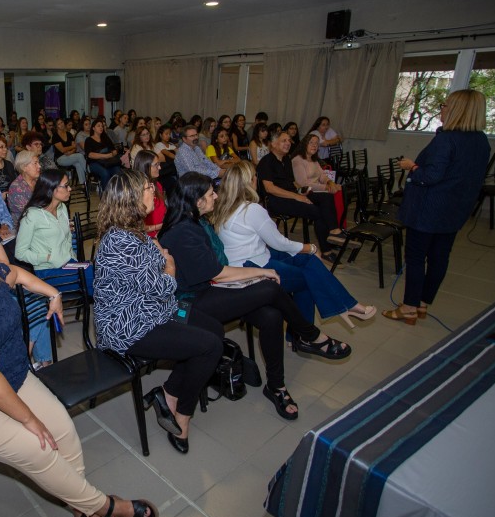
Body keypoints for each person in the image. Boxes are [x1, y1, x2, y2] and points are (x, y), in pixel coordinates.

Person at [0, 219, 158, 517]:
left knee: (64, 432)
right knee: (39, 447)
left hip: (11, 375)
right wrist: (29, 419)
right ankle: (108, 507)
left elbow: (17, 274)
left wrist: (52, 292)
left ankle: (83, 515)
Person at [158, 172, 351, 420]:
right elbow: (216, 272)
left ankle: (276, 387)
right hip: (185, 305)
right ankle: (310, 335)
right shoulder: (184, 231)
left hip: (209, 290)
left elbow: (217, 269)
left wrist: (254, 274)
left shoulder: (198, 221)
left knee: (271, 316)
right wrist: (260, 272)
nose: (216, 196)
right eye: (210, 194)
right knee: (269, 287)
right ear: (197, 202)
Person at [92, 171, 223, 453]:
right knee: (209, 346)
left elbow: (157, 280)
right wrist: (170, 269)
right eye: (149, 188)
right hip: (131, 327)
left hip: (159, 311)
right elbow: (161, 286)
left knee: (214, 328)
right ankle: (182, 415)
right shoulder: (120, 241)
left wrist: (164, 263)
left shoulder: (134, 232)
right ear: (131, 199)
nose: (155, 192)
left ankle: (169, 392)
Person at [213, 162, 375, 329]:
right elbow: (280, 243)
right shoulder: (251, 209)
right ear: (249, 182)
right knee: (308, 278)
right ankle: (308, 330)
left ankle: (345, 306)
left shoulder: (225, 206)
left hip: (244, 261)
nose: (256, 179)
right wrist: (311, 247)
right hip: (252, 265)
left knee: (308, 261)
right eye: (254, 176)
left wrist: (306, 251)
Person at [383, 89, 491, 324]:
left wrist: (412, 167)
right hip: (454, 210)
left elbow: (430, 176)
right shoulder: (481, 140)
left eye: (445, 105)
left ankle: (409, 307)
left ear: (456, 110)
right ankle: (422, 303)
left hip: (427, 211)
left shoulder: (447, 139)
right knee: (440, 257)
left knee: (415, 258)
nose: (442, 108)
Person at [257, 130, 344, 262]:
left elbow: (292, 182)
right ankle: (326, 250)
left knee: (326, 198)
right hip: (276, 200)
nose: (288, 143)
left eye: (289, 141)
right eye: (284, 141)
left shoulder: (286, 159)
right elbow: (270, 188)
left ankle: (333, 230)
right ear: (273, 144)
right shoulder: (266, 161)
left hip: (292, 194)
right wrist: (296, 196)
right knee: (316, 211)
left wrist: (301, 191)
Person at [15, 168, 93, 295]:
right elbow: (20, 253)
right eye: (66, 186)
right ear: (52, 189)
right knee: (91, 274)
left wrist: (72, 258)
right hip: (47, 271)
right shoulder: (32, 215)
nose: (70, 189)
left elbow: (66, 238)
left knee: (97, 272)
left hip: (67, 263)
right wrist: (47, 257)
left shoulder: (61, 207)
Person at [132, 151, 166, 237]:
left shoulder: (157, 185)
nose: (160, 167)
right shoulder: (137, 191)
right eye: (156, 165)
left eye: (159, 164)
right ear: (145, 167)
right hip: (147, 236)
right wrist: (159, 227)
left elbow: (162, 209)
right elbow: (135, 226)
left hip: (161, 229)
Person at [83, 118, 122, 190]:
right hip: (94, 163)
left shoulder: (105, 138)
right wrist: (106, 156)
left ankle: (116, 194)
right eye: (98, 126)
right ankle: (105, 195)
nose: (101, 127)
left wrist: (114, 152)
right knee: (105, 173)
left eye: (102, 126)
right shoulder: (89, 140)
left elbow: (113, 149)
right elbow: (90, 155)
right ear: (93, 128)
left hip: (108, 162)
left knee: (118, 172)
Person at [7, 150, 41, 225]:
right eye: (35, 163)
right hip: (25, 225)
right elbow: (30, 213)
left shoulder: (39, 181)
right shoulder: (16, 188)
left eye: (38, 163)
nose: (39, 166)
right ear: (24, 167)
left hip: (41, 220)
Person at [51, 117, 87, 184]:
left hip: (70, 156)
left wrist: (71, 151)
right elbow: (62, 150)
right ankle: (89, 172)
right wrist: (72, 147)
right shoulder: (55, 136)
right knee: (80, 156)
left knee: (78, 164)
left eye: (61, 122)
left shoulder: (69, 134)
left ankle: (83, 184)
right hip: (60, 158)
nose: (61, 125)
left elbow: (75, 147)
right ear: (56, 126)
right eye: (59, 124)